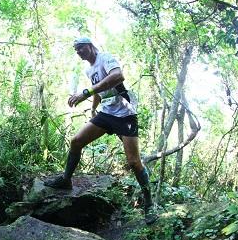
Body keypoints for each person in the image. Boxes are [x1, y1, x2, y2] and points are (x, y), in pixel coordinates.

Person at [44, 37, 157, 224]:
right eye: (76, 50)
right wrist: (93, 107)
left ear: (90, 46)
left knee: (134, 162)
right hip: (106, 113)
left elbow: (118, 77)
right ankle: (66, 180)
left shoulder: (106, 58)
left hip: (125, 114)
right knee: (76, 141)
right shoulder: (89, 69)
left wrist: (85, 93)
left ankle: (149, 204)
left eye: (81, 48)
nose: (79, 52)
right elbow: (100, 90)